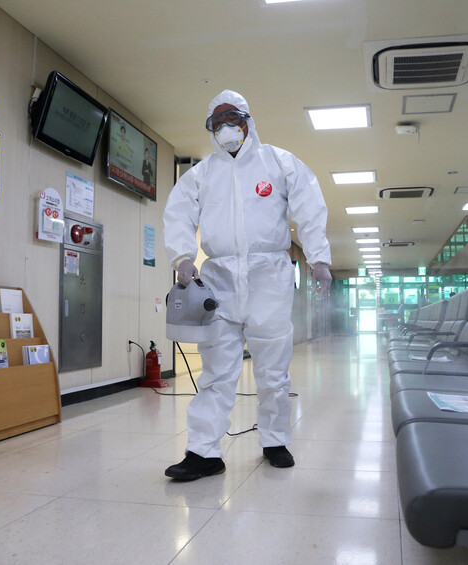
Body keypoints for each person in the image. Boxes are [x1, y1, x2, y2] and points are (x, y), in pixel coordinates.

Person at [163, 90, 332, 481]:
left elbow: (309, 202)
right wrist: (182, 256)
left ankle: (275, 440)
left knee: (273, 371)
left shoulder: (277, 161)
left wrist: (319, 256)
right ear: (210, 129)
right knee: (215, 374)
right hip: (219, 280)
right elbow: (178, 213)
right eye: (217, 122)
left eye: (232, 119)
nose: (226, 128)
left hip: (269, 276)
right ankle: (203, 452)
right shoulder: (202, 174)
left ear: (247, 121)